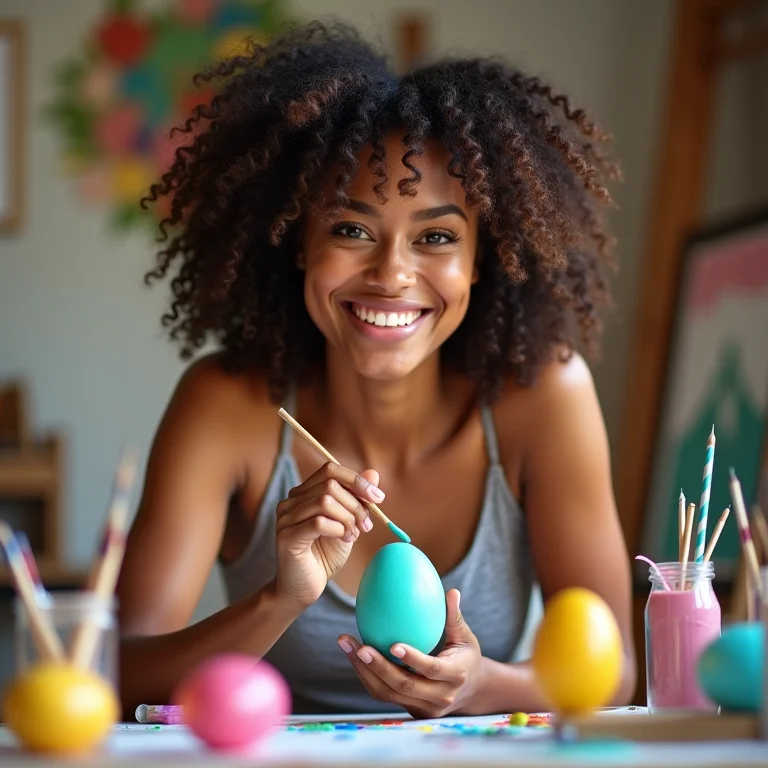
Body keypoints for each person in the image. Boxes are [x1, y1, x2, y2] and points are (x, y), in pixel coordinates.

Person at [116, 19, 635, 718]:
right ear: (298, 240)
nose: (392, 274)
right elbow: (117, 670)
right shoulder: (228, 405)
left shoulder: (541, 398)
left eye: (437, 237)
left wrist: (479, 686)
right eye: (351, 229)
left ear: (481, 258)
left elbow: (617, 673)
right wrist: (282, 597)